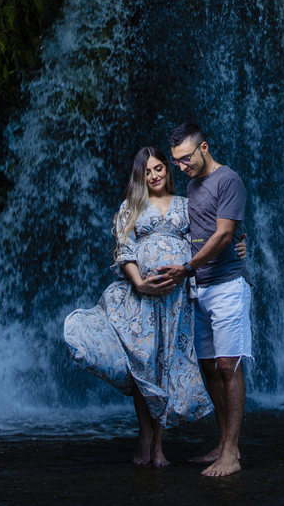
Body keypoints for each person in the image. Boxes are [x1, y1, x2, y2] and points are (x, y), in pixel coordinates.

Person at [63, 146, 212, 467]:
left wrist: (237, 241)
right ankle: (145, 436)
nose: (154, 175)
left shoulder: (187, 206)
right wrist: (140, 282)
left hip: (178, 302)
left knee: (166, 367)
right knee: (144, 367)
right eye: (147, 171)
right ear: (140, 177)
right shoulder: (131, 206)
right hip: (142, 299)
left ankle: (158, 445)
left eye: (159, 168)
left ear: (167, 171)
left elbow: (208, 239)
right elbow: (124, 250)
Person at [160, 122, 250, 478]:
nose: (181, 167)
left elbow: (225, 233)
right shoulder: (193, 186)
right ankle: (224, 442)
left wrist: (186, 267)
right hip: (201, 289)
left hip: (228, 284)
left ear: (204, 148)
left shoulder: (229, 180)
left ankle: (231, 454)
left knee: (230, 366)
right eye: (176, 162)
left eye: (186, 159)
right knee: (210, 368)